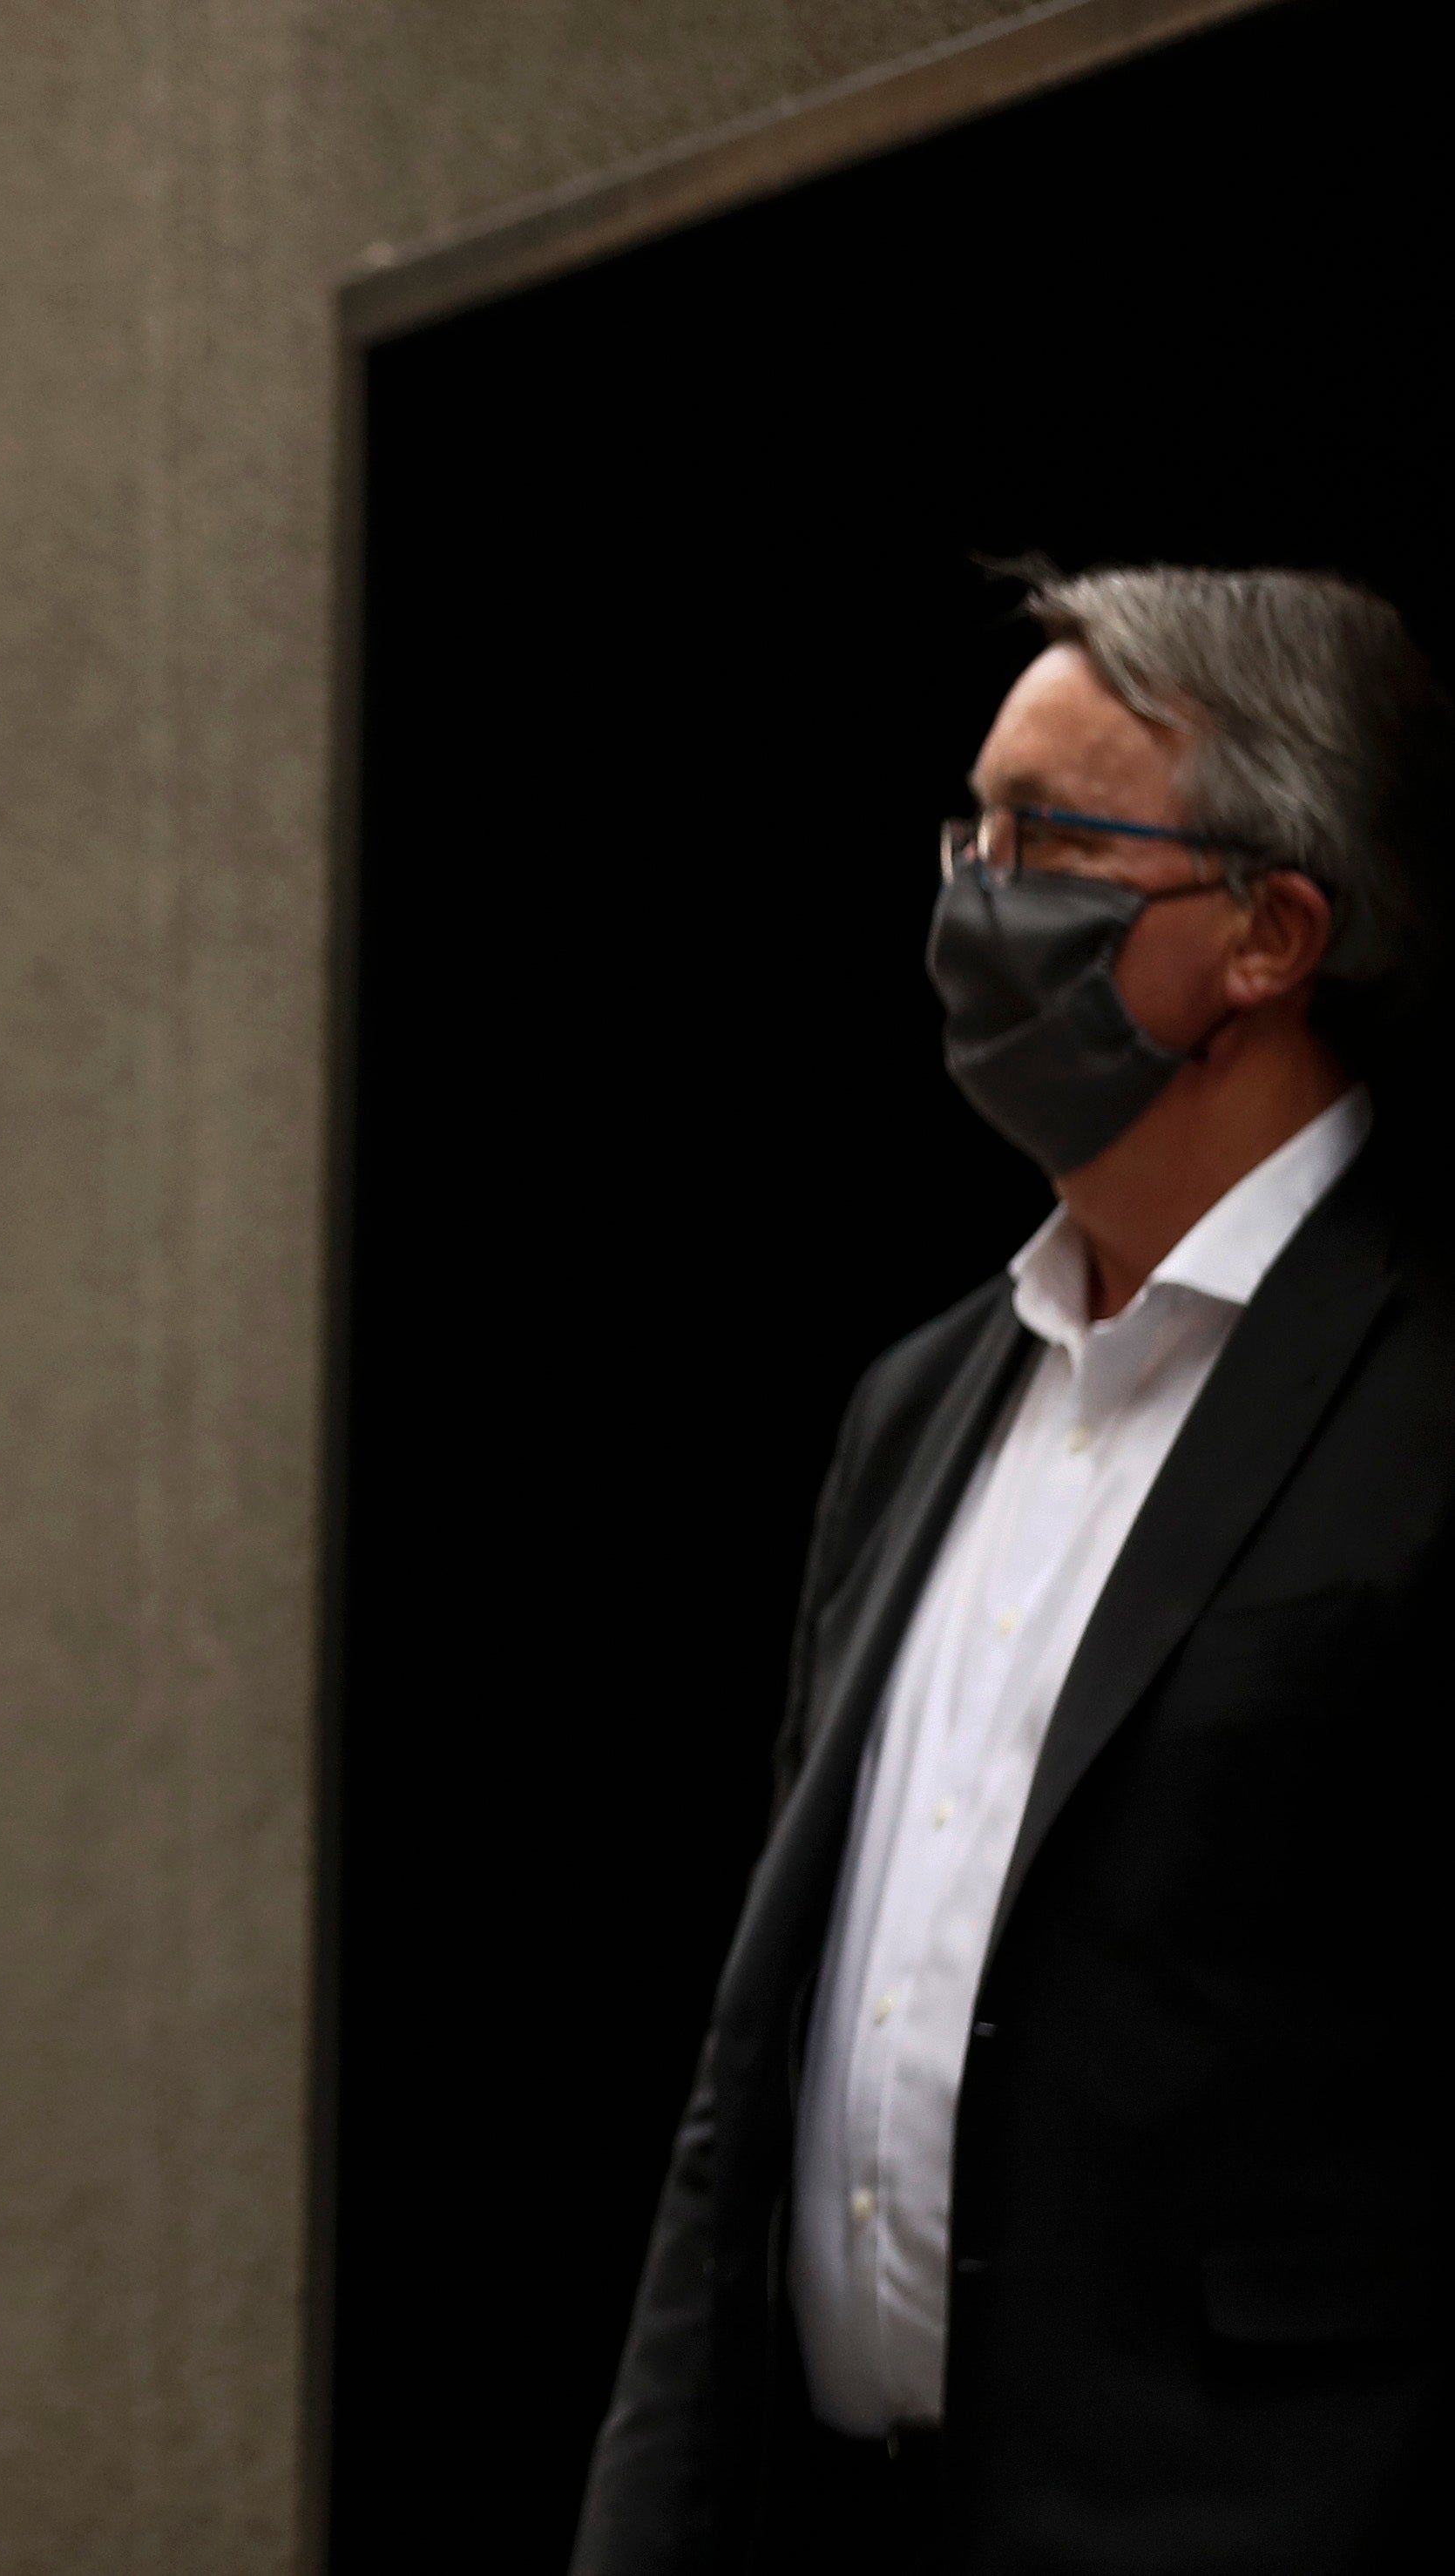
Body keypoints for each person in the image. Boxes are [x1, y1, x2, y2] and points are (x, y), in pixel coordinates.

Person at [574, 565, 1455, 2573]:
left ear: (1271, 931)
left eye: (1051, 842)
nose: (976, 896)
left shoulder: (1423, 1395)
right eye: (967, 831)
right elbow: (766, 2064)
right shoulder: (916, 1405)